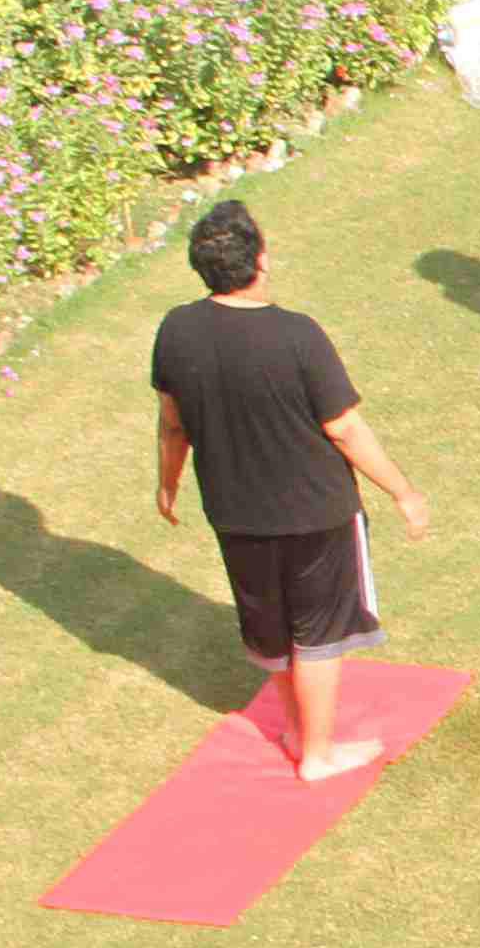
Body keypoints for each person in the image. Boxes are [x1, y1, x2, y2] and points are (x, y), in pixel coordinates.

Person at [149, 198, 427, 786]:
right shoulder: (298, 335)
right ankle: (317, 755)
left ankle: (300, 734)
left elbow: (173, 424)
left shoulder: (175, 330)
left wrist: (167, 484)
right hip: (316, 514)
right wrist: (403, 491)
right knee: (319, 634)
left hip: (235, 514)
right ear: (262, 260)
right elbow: (344, 429)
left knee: (273, 633)